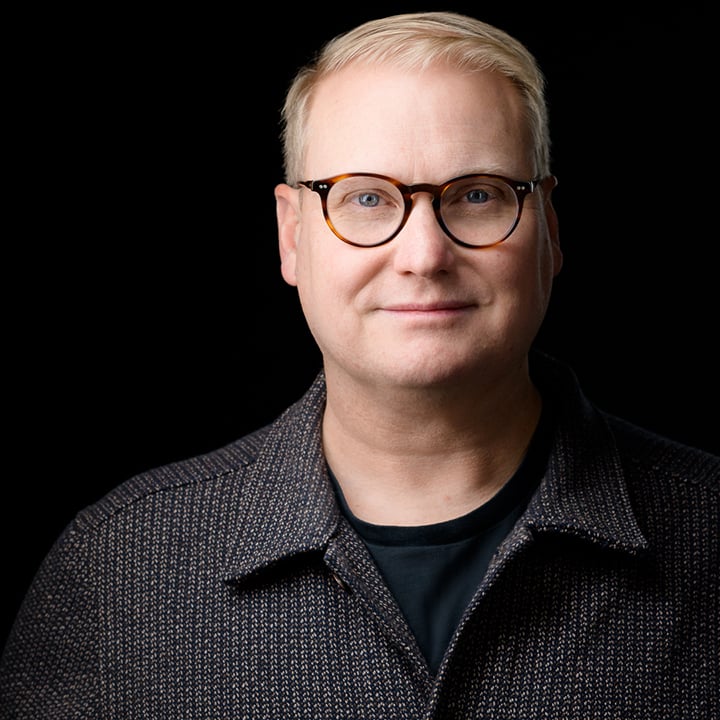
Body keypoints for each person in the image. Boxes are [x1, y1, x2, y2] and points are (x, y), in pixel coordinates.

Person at [1, 10, 718, 719]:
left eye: (476, 196)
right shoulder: (117, 567)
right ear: (292, 237)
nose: (424, 255)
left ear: (550, 233)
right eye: (367, 198)